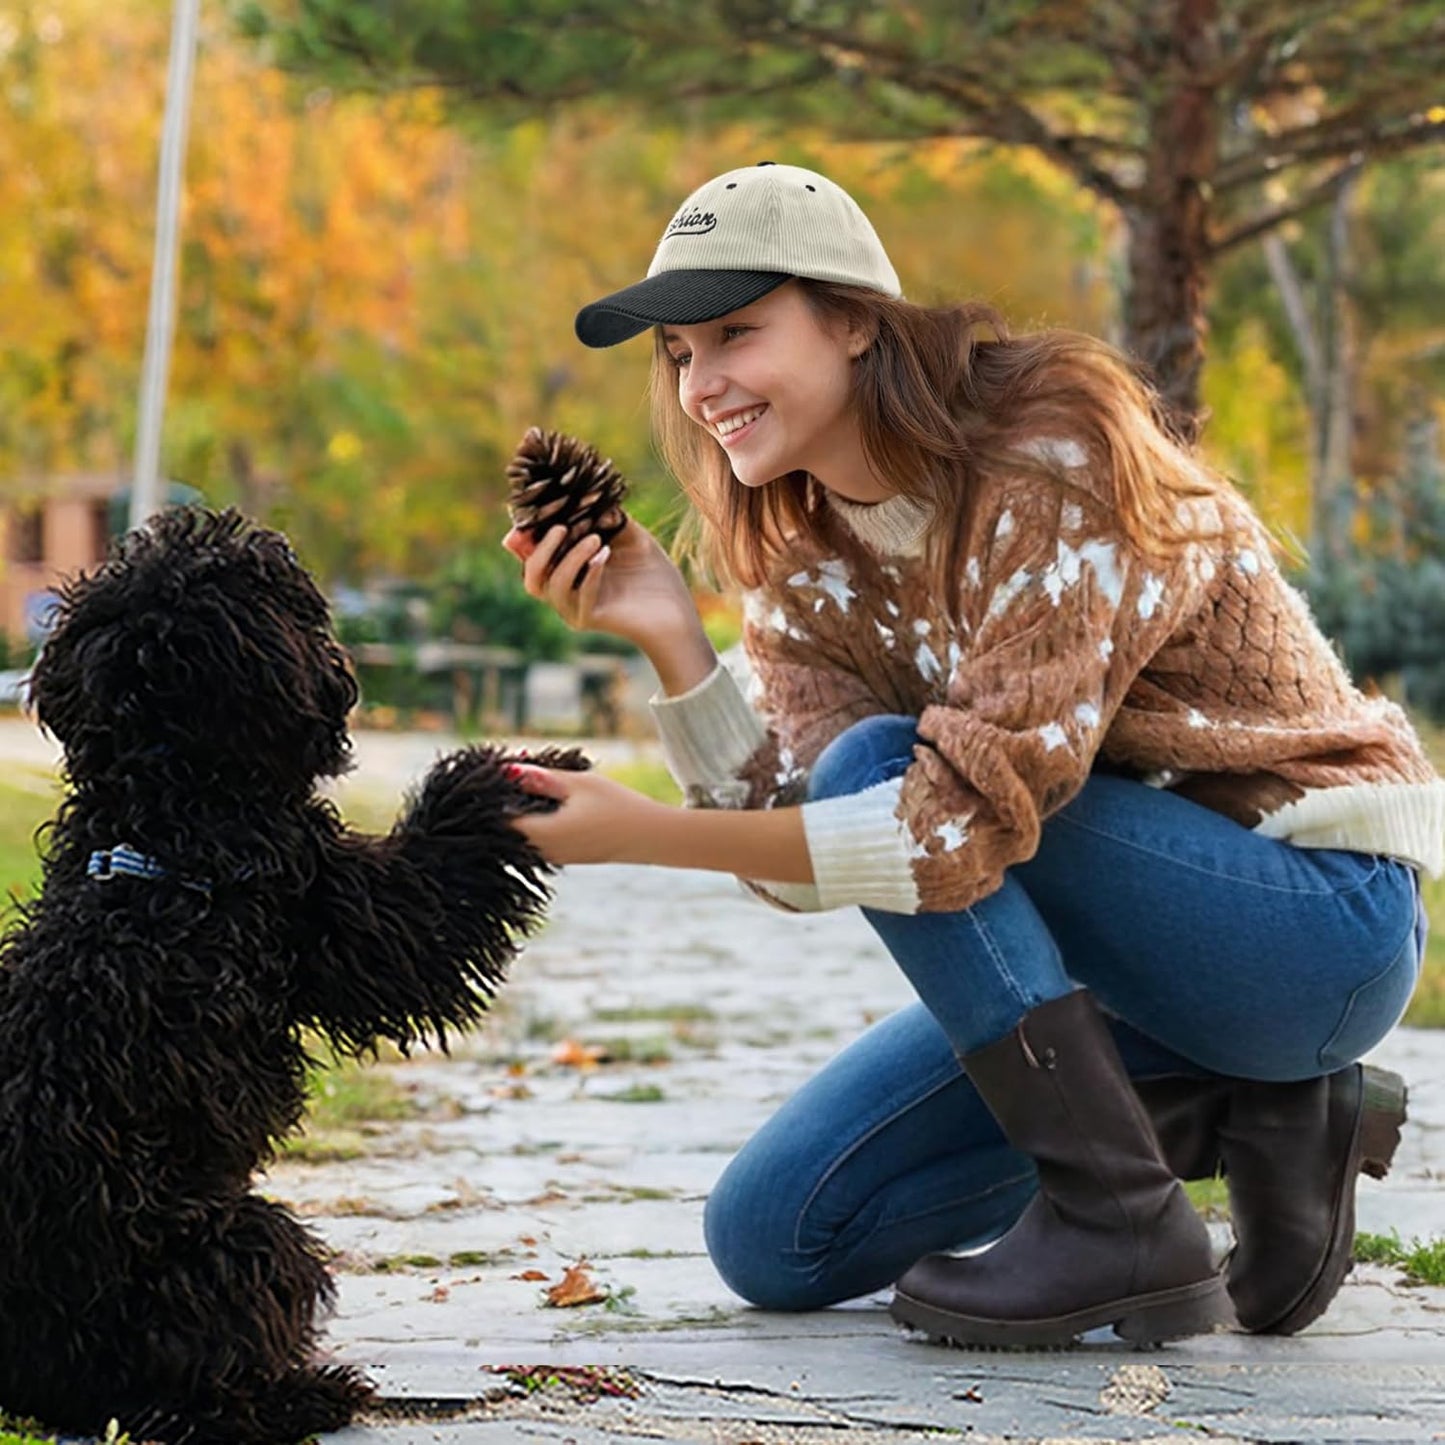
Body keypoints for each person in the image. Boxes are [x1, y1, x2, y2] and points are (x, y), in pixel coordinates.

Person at [500, 161, 1442, 1349]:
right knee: (775, 1235)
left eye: (737, 330)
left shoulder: (1048, 454)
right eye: (680, 352)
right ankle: (1248, 1111)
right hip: (1122, 959)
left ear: (852, 320)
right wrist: (672, 639)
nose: (703, 382)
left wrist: (642, 836)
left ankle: (1120, 1217)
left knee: (888, 777)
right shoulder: (803, 555)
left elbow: (932, 828)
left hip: (1309, 920)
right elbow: (813, 860)